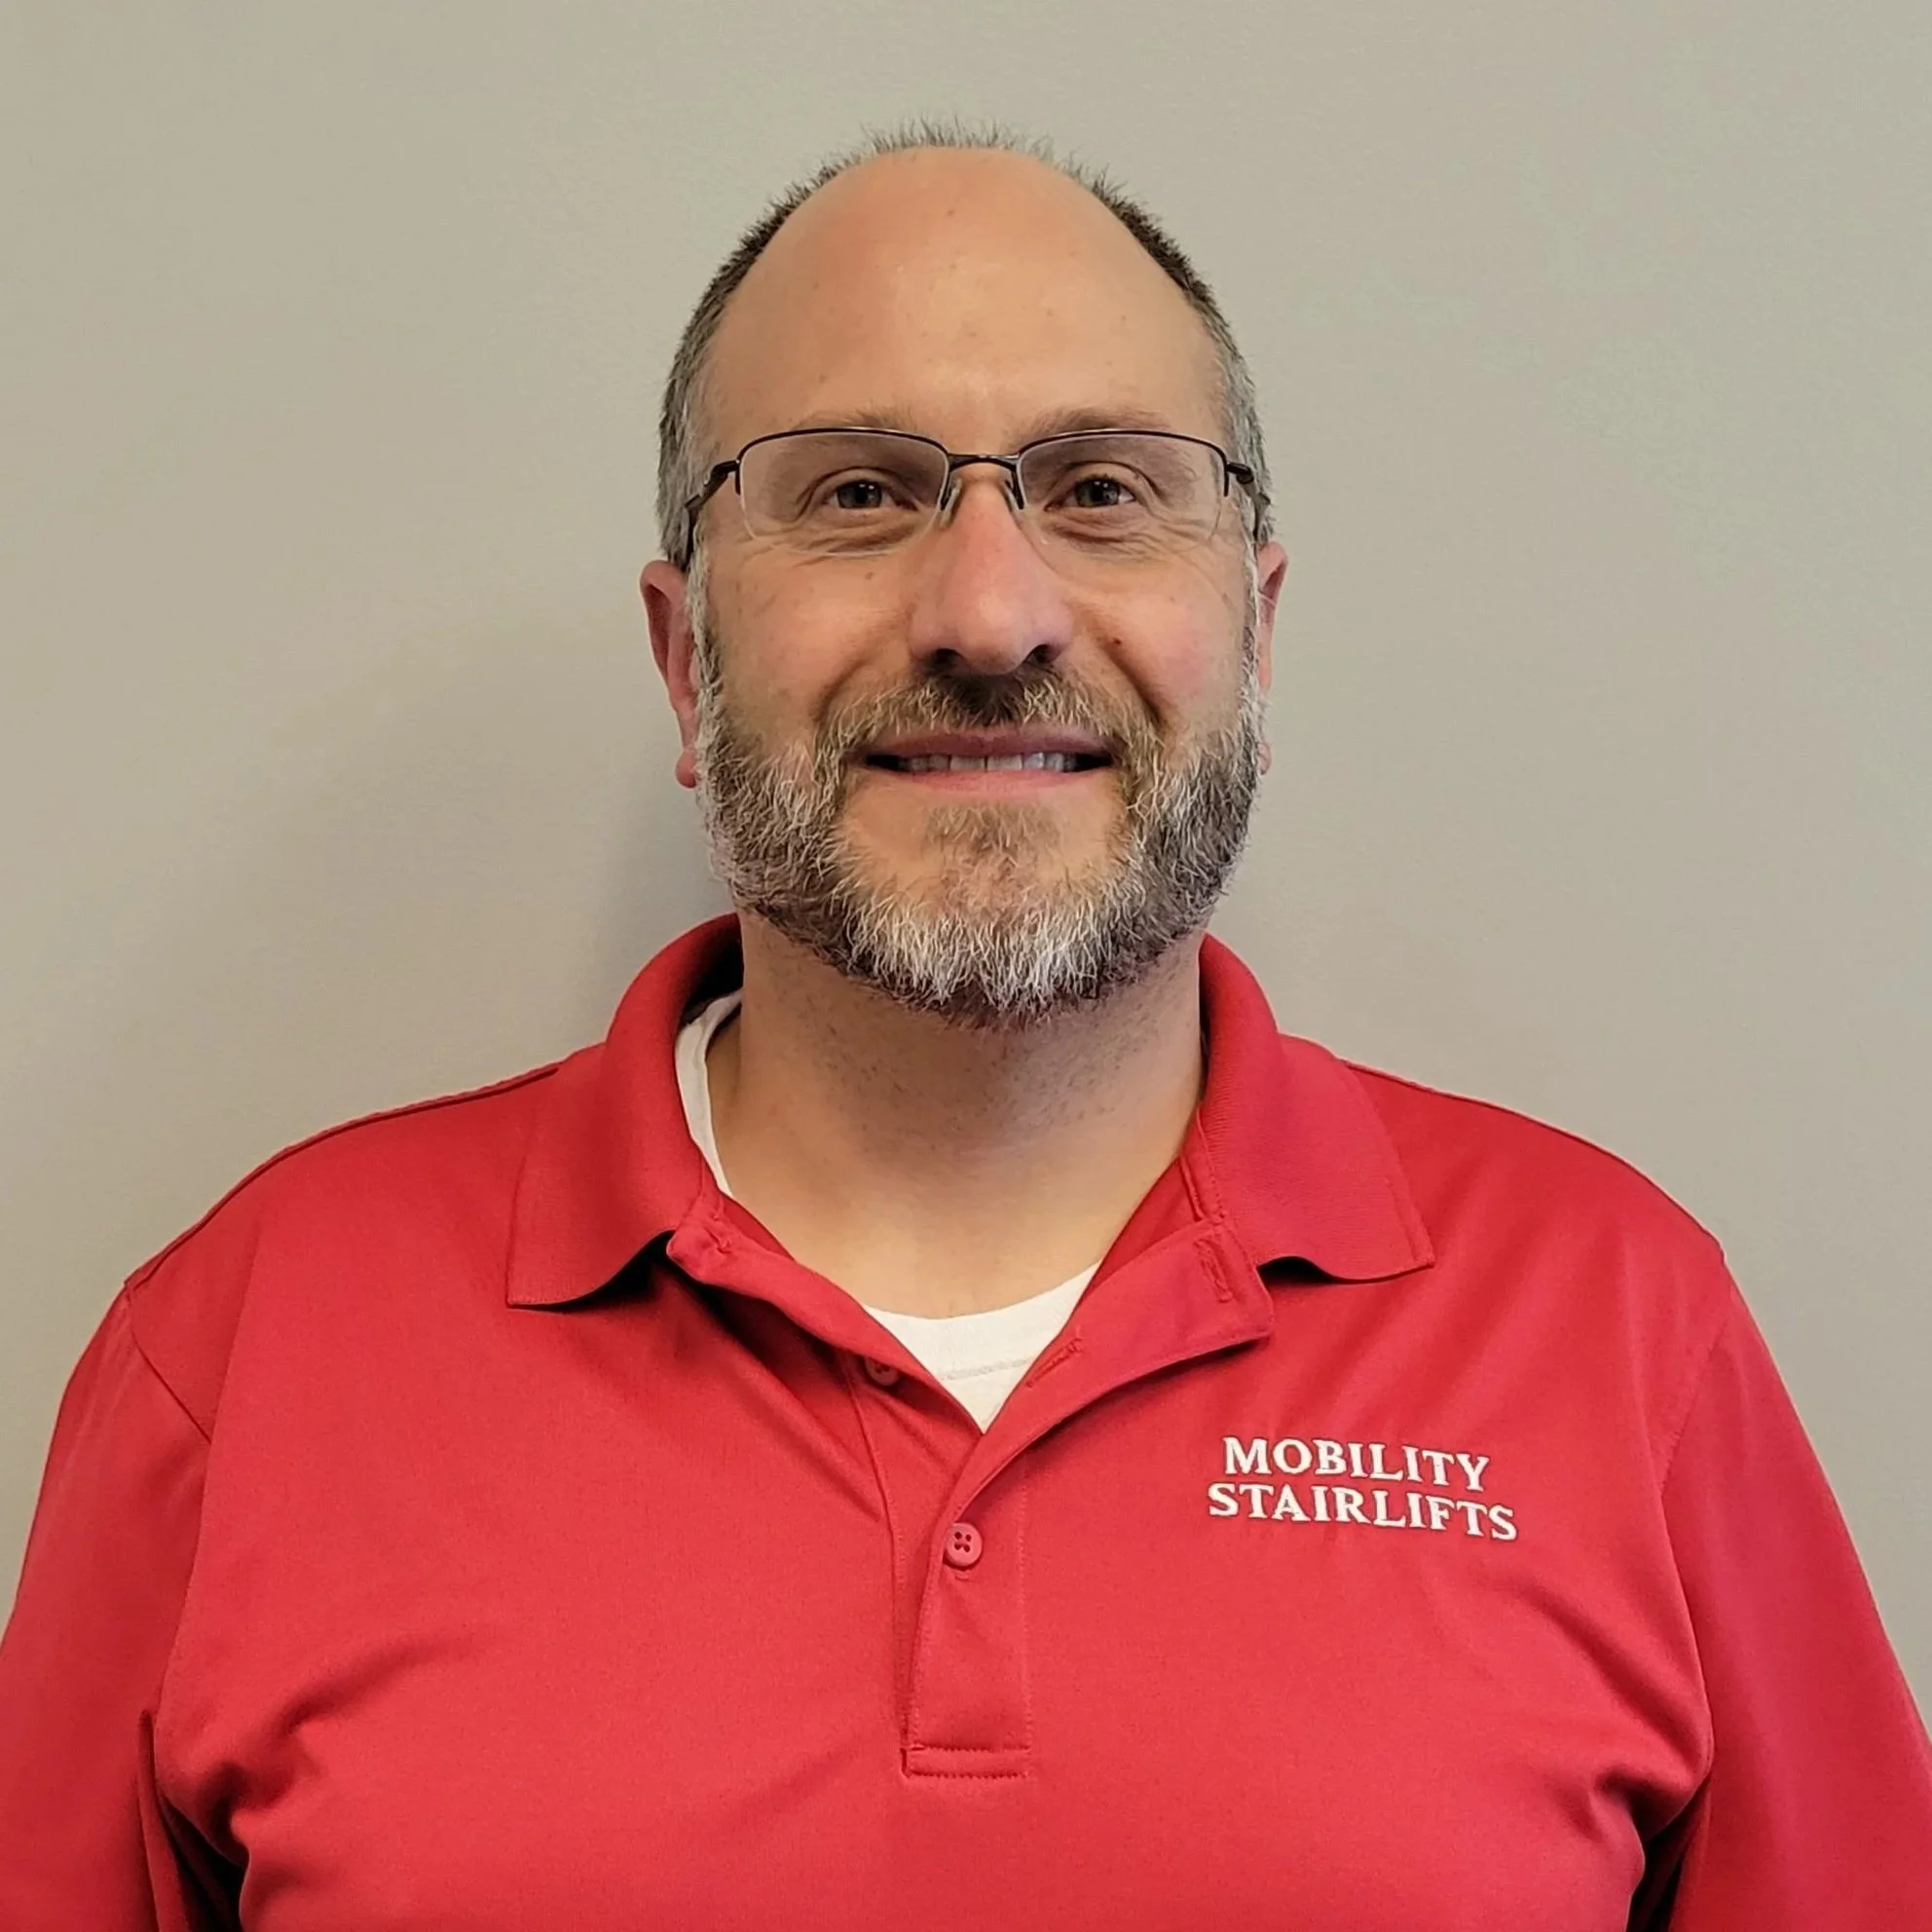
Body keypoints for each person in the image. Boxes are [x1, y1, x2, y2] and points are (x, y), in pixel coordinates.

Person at [2, 127, 1928, 1931]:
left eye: (1101, 488)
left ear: (1252, 631)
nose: (989, 607)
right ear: (684, 661)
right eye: (857, 492)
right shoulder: (244, 1352)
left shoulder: (1614, 1327)